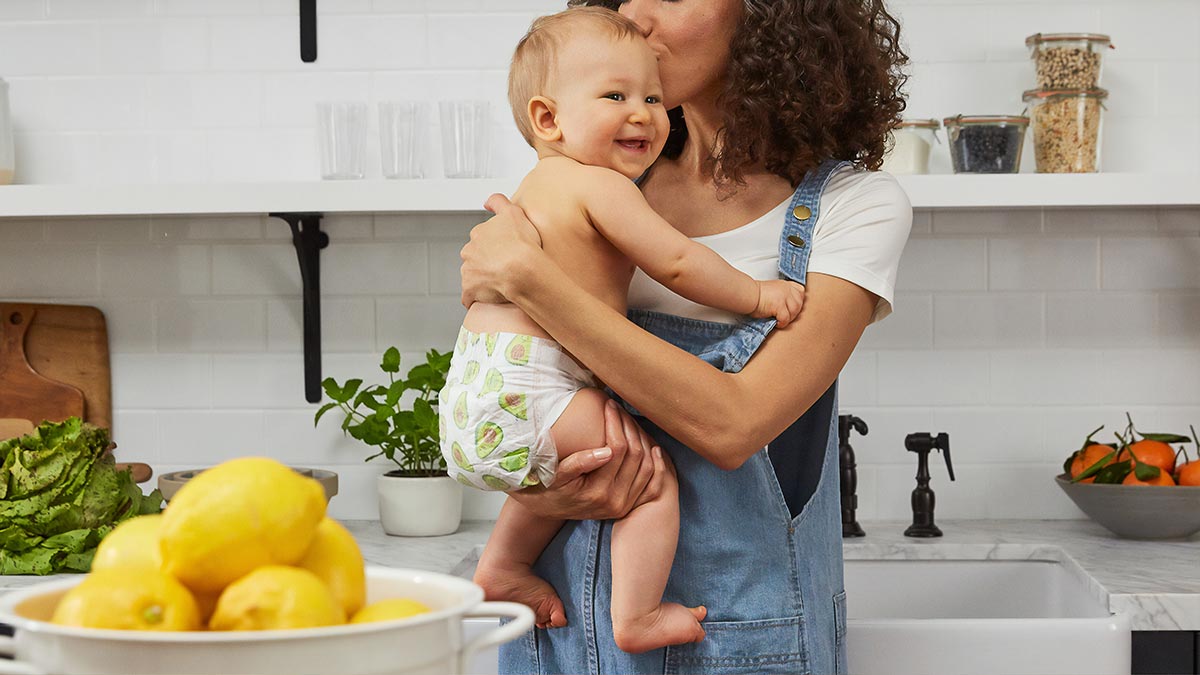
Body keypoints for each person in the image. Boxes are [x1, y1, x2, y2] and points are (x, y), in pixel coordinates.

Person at [459, 0, 912, 672]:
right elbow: (529, 387)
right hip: (559, 632)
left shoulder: (854, 207)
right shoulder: (602, 180)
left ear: (768, 15)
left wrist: (532, 281)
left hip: (730, 645)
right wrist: (546, 489)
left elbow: (732, 424)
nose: (636, 15)